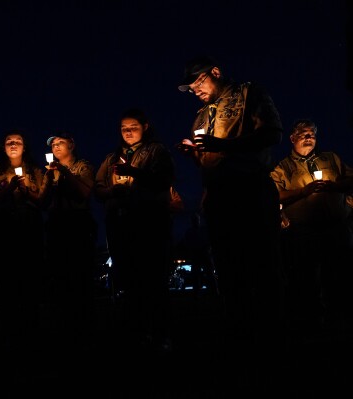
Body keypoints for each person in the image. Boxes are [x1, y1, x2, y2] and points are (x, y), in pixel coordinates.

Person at [177, 55, 286, 396]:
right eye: (191, 88)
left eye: (199, 84)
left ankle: (272, 344)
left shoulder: (248, 94)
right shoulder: (200, 115)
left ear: (216, 73)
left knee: (262, 265)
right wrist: (195, 154)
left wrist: (224, 145)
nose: (195, 91)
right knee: (229, 268)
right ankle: (239, 335)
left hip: (250, 189)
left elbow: (272, 132)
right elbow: (208, 160)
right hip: (220, 197)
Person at [94, 107, 175, 351]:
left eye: (133, 127)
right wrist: (112, 191)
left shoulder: (157, 151)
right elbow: (98, 188)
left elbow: (164, 180)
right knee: (129, 279)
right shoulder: (112, 158)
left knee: (153, 277)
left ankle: (160, 332)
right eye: (124, 128)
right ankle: (136, 332)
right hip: (121, 223)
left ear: (145, 127)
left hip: (149, 223)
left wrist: (134, 174)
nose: (128, 132)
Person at [270, 119, 353, 345]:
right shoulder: (282, 168)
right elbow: (272, 195)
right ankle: (312, 327)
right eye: (304, 133)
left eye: (312, 134)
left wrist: (336, 188)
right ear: (292, 138)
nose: (309, 137)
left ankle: (341, 324)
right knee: (306, 280)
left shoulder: (331, 159)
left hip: (336, 230)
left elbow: (350, 179)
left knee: (340, 278)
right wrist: (303, 191)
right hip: (304, 234)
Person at [0, 129, 45, 362]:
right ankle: (10, 336)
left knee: (29, 285)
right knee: (8, 287)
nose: (13, 144)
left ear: (24, 146)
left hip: (29, 233)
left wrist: (26, 192)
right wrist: (8, 190)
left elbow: (43, 200)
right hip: (5, 234)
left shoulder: (36, 171)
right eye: (9, 141)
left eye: (17, 141)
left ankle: (31, 336)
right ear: (3, 146)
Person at [39, 130, 98, 357]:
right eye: (53, 144)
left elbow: (84, 193)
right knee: (60, 278)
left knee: (81, 277)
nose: (55, 146)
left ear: (71, 145)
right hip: (56, 225)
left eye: (60, 142)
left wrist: (63, 173)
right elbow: (43, 202)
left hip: (77, 224)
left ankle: (85, 331)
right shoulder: (50, 172)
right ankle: (65, 330)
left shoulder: (82, 166)